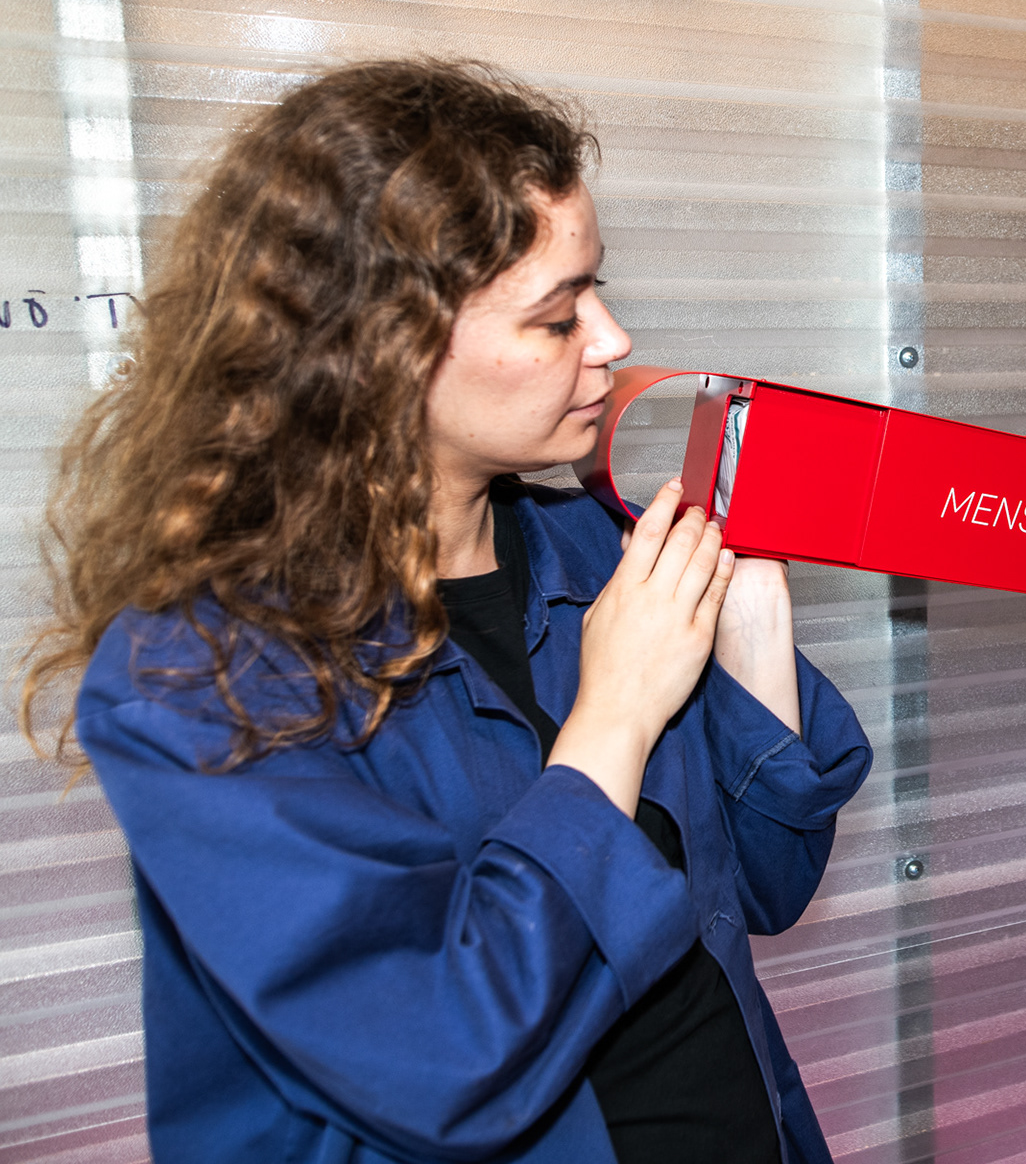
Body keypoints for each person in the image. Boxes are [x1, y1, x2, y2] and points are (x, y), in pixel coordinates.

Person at [20, 59, 871, 1164]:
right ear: (384, 350)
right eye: (558, 315)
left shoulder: (597, 549)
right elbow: (448, 1057)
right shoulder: (199, 676)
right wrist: (614, 716)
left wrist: (749, 619)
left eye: (596, 292)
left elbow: (767, 882)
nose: (612, 339)